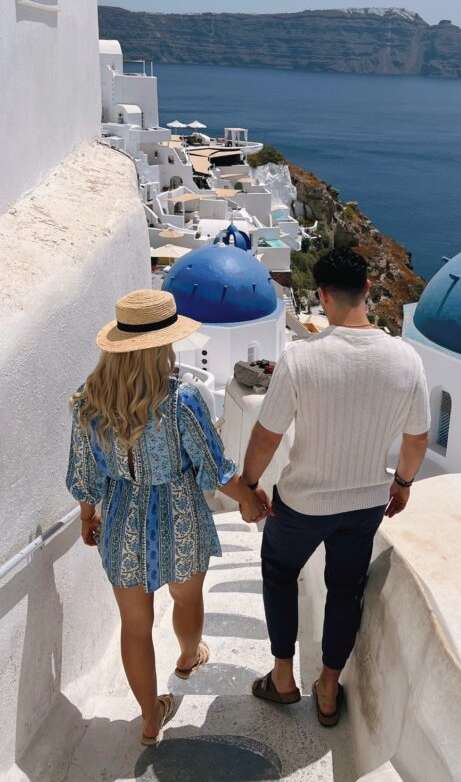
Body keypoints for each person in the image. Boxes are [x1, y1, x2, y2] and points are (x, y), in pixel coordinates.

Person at [66, 289, 269, 746]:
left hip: (120, 517)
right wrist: (249, 501)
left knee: (135, 626)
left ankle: (148, 717)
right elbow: (214, 469)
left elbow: (85, 472)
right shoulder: (182, 401)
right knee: (186, 597)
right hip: (180, 514)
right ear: (162, 346)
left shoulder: (87, 403)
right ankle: (186, 656)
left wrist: (86, 517)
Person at [242, 247, 430, 726]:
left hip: (302, 502)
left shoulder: (302, 359)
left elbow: (267, 435)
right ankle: (328, 688)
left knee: (280, 573)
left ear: (322, 296)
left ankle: (283, 679)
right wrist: (403, 484)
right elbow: (417, 437)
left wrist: (247, 484)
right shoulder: (407, 360)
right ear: (368, 287)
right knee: (345, 591)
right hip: (367, 501)